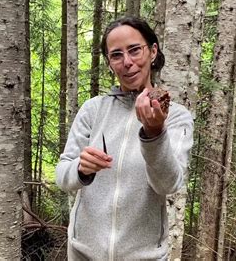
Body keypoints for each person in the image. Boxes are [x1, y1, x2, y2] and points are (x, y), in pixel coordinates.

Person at [55, 16, 193, 260]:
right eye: (116, 55)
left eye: (134, 50)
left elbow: (169, 184)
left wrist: (155, 134)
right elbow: (63, 176)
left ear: (152, 51)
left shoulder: (175, 117)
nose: (127, 62)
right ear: (109, 63)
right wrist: (81, 169)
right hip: (84, 253)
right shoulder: (94, 109)